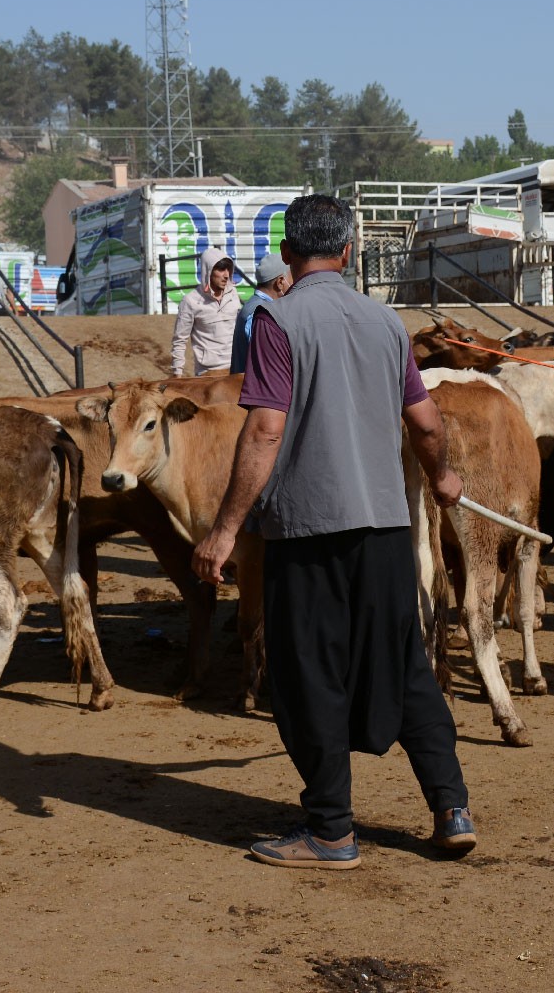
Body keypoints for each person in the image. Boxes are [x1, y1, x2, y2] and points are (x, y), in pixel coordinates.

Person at [192, 194, 473, 869]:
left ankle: (331, 829)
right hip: (383, 528)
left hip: (308, 530)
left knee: (306, 673)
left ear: (289, 252)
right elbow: (427, 421)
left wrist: (225, 528)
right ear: (348, 252)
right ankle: (451, 806)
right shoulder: (385, 323)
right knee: (405, 669)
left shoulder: (276, 321)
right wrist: (443, 477)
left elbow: (264, 428)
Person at [169, 247, 240, 376]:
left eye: (228, 269)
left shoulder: (234, 295)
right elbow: (180, 340)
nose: (226, 275)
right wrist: (177, 373)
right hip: (208, 373)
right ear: (208, 270)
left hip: (236, 368)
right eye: (220, 269)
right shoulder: (191, 301)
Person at [229, 251, 291, 374]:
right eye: (292, 278)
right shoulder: (259, 313)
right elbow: (267, 363)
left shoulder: (254, 306)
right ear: (280, 282)